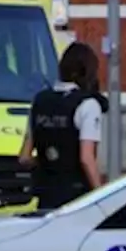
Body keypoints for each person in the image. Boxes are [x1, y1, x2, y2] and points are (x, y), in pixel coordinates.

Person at [19, 41, 107, 212]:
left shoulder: (40, 100)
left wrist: (47, 160)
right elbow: (86, 158)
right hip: (76, 198)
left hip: (45, 196)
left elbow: (23, 157)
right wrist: (102, 195)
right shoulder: (88, 105)